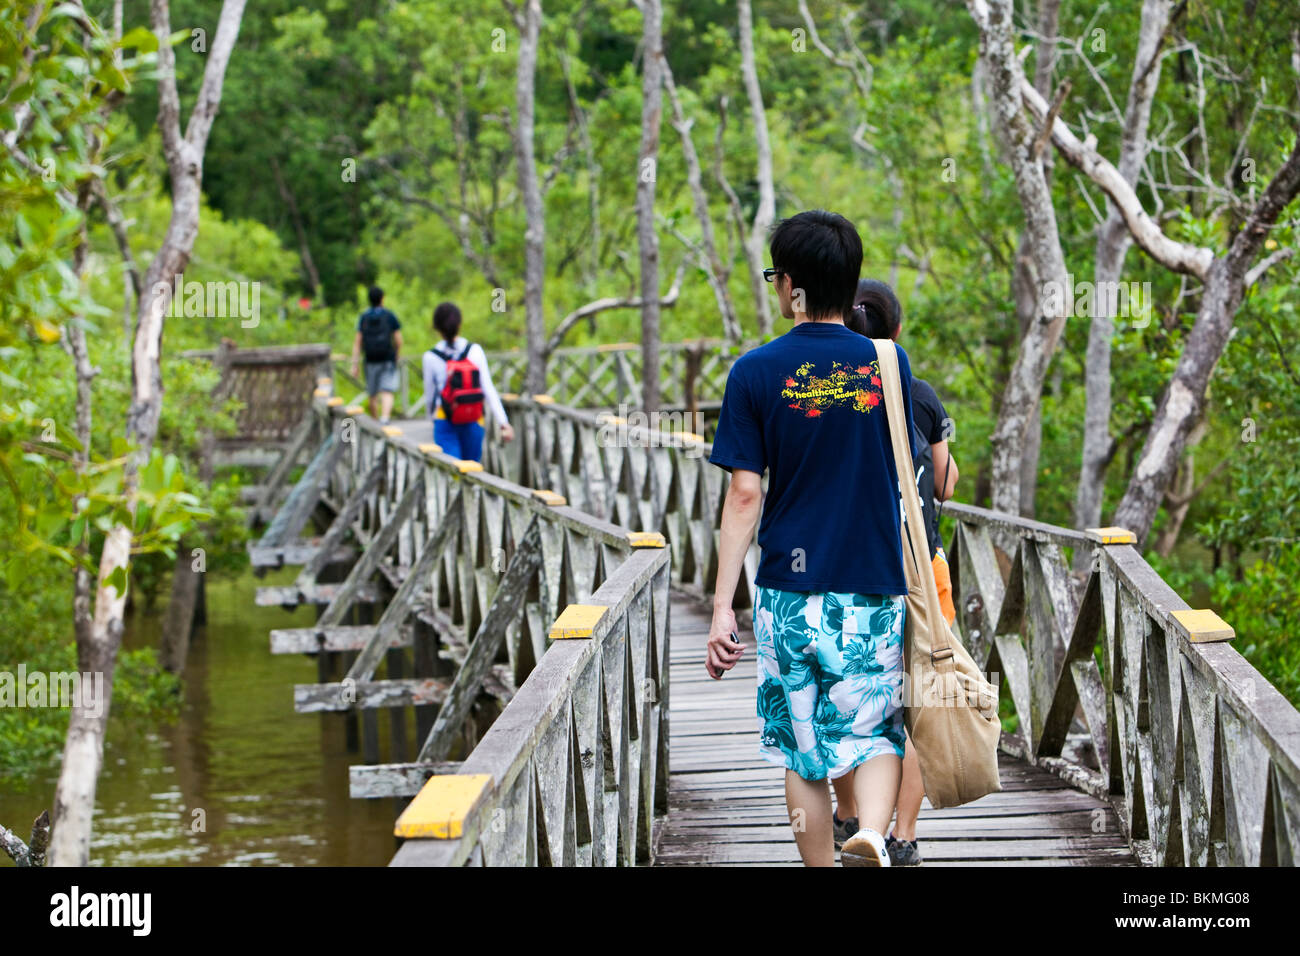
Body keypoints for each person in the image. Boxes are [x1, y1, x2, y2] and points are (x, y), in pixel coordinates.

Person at [706, 210, 921, 867]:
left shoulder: (753, 372)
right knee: (877, 732)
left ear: (790, 284)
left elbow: (745, 495)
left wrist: (722, 607)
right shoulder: (889, 361)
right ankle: (873, 835)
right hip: (874, 579)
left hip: (790, 592)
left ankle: (827, 860)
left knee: (802, 749)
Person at [834, 277, 961, 867]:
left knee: (842, 699)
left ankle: (848, 817)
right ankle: (902, 834)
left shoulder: (829, 392)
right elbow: (942, 484)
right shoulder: (922, 393)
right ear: (897, 333)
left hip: (849, 570)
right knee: (917, 703)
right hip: (921, 572)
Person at [421, 302, 514, 461]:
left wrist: (431, 418)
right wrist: (503, 422)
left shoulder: (430, 357)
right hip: (474, 417)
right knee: (472, 470)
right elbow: (488, 388)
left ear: (436, 328)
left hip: (445, 418)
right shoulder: (475, 350)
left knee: (452, 472)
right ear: (459, 324)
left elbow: (430, 395)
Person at [351, 285, 403, 424]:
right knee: (387, 390)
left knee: (372, 393)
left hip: (370, 359)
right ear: (382, 298)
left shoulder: (364, 317)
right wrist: (397, 354)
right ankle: (385, 418)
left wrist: (354, 364)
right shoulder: (389, 315)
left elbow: (357, 343)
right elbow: (399, 340)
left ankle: (375, 423)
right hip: (387, 358)